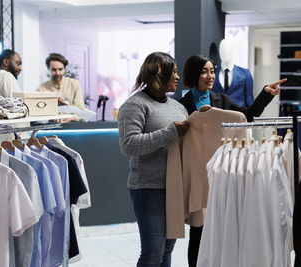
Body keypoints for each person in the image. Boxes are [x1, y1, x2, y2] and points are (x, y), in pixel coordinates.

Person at [178, 54, 286, 267]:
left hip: (222, 170)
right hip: (197, 172)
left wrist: (265, 95)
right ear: (193, 75)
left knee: (222, 227)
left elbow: (247, 116)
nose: (210, 76)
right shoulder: (182, 106)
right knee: (198, 231)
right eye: (204, 71)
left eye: (212, 71)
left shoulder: (221, 100)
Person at [117, 52, 190, 267]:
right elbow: (128, 145)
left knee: (167, 251)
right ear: (159, 73)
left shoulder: (178, 107)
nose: (177, 77)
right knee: (153, 253)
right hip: (149, 188)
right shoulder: (135, 105)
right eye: (173, 72)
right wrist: (169, 133)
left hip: (175, 187)